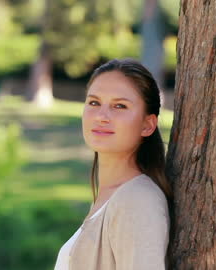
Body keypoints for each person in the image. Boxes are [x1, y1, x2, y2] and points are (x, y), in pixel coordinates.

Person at [54, 58, 172, 270]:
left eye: (120, 106)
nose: (101, 116)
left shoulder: (138, 200)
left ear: (147, 125)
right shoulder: (112, 197)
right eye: (94, 102)